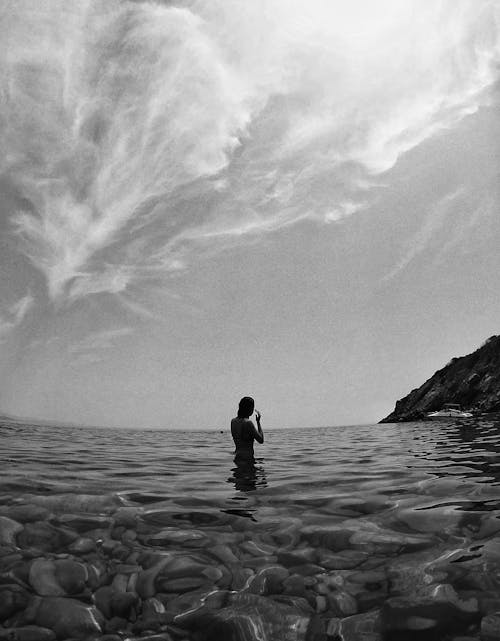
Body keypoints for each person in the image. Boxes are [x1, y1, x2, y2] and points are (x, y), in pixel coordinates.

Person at [231, 396, 263, 463]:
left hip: (237, 457)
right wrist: (258, 422)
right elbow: (261, 440)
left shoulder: (233, 421)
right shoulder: (248, 423)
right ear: (249, 408)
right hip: (247, 458)